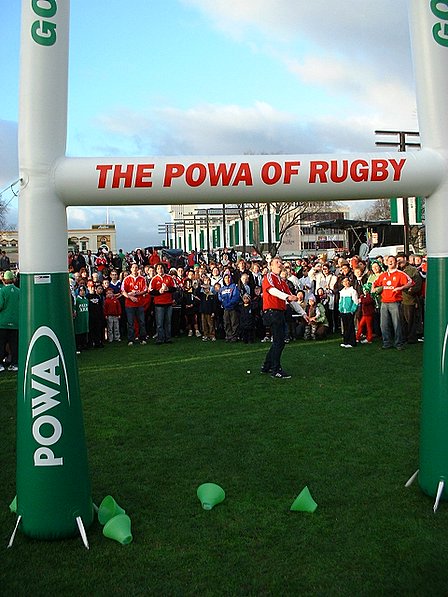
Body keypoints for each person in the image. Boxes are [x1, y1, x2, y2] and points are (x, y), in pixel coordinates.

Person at [261, 257, 301, 379]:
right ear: (271, 265)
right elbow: (272, 291)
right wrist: (287, 297)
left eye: (280, 262)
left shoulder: (282, 282)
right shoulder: (269, 277)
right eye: (277, 262)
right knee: (279, 341)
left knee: (279, 341)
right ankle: (276, 369)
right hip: (273, 312)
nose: (280, 264)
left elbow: (291, 299)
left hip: (279, 312)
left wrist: (303, 313)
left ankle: (267, 365)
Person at [373, 255, 413, 350]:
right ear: (386, 263)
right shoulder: (383, 275)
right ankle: (386, 343)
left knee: (397, 324)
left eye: (392, 260)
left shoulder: (400, 274)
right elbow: (375, 283)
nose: (390, 262)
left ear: (396, 263)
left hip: (395, 302)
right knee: (384, 324)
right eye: (388, 260)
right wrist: (373, 288)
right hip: (384, 302)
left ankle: (399, 343)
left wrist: (401, 288)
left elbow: (410, 282)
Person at [121, 262, 148, 346]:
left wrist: (136, 294)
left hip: (140, 304)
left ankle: (142, 338)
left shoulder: (142, 279)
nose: (135, 269)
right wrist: (130, 297)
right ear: (130, 269)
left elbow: (145, 290)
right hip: (129, 305)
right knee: (130, 323)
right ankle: (131, 339)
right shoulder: (126, 279)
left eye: (136, 267)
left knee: (142, 322)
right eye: (133, 267)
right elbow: (122, 291)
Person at [149, 262, 176, 344]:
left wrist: (168, 289)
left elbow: (174, 288)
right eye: (158, 268)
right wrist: (159, 292)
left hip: (168, 303)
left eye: (161, 268)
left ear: (164, 269)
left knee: (168, 322)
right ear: (156, 270)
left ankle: (168, 338)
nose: (160, 270)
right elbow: (150, 291)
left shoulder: (169, 278)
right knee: (159, 323)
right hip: (159, 304)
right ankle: (160, 338)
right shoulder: (154, 279)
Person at [0, 271, 19, 371]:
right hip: (16, 323)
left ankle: (1, 365)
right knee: (14, 345)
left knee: (1, 344)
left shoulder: (2, 291)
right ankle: (15, 364)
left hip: (2, 323)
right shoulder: (19, 291)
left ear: (4, 280)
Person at [218, 273, 240, 342]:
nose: (227, 279)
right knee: (226, 323)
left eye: (229, 278)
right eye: (226, 278)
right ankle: (228, 336)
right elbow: (220, 297)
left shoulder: (234, 287)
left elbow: (236, 297)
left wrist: (230, 303)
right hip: (225, 309)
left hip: (233, 308)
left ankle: (234, 336)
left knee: (234, 323)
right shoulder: (222, 289)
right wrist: (224, 304)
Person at [338, 277, 358, 348]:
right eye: (344, 281)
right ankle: (346, 341)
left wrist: (352, 310)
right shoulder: (342, 291)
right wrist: (340, 308)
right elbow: (340, 301)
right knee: (345, 327)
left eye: (347, 281)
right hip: (343, 312)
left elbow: (355, 301)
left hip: (349, 311)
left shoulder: (352, 291)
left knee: (350, 327)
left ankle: (352, 342)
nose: (345, 283)